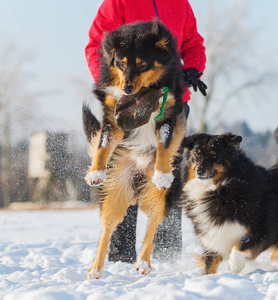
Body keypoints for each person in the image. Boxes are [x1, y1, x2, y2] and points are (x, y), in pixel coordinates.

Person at [85, 0, 207, 263]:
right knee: (121, 175)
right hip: (127, 103)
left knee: (166, 175)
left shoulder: (180, 4)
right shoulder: (118, 3)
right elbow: (97, 45)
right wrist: (112, 86)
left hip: (169, 103)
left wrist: (193, 68)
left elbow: (193, 43)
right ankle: (121, 257)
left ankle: (166, 256)